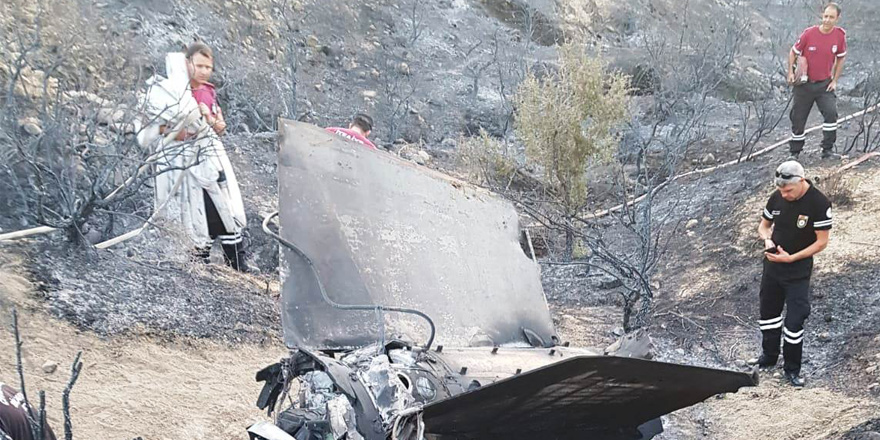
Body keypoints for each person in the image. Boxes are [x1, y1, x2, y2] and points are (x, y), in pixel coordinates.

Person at [139, 44, 249, 272]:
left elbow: (219, 125)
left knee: (224, 206)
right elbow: (151, 126)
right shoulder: (170, 91)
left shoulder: (208, 92)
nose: (204, 71)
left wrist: (211, 120)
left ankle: (236, 264)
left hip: (209, 158)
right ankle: (197, 264)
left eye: (208, 67)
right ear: (187, 63)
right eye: (199, 66)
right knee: (190, 210)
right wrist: (173, 132)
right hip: (180, 162)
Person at [748, 161, 832, 387]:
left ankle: (792, 369)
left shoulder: (819, 203)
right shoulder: (777, 197)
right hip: (773, 268)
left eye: (788, 190)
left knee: (795, 321)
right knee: (768, 314)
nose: (784, 195)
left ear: (801, 181)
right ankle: (768, 357)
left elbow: (822, 242)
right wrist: (767, 240)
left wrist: (792, 258)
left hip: (797, 271)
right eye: (781, 190)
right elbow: (764, 226)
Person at [787, 3, 847, 160]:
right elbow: (793, 52)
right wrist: (791, 73)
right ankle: (794, 153)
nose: (827, 20)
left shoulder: (839, 35)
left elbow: (841, 58)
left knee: (831, 114)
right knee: (798, 118)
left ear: (837, 18)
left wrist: (835, 80)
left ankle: (827, 150)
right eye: (825, 16)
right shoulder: (809, 34)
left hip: (824, 84)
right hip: (804, 85)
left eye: (831, 17)